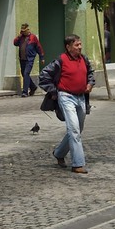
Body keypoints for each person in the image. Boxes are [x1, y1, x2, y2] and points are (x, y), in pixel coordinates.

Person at [39, 33, 94, 174]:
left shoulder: (84, 59)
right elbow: (43, 76)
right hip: (66, 97)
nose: (80, 47)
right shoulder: (60, 60)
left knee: (77, 129)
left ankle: (59, 153)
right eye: (76, 45)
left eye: (80, 44)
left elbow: (90, 74)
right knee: (74, 129)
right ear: (68, 47)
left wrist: (90, 83)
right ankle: (77, 164)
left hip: (81, 97)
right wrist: (54, 92)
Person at [13, 23, 44, 97]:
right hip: (22, 59)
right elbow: (15, 43)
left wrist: (42, 57)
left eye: (24, 31)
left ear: (28, 30)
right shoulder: (21, 37)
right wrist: (18, 36)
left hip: (29, 59)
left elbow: (39, 47)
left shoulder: (33, 37)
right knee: (24, 74)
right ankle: (33, 87)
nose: (23, 32)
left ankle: (25, 92)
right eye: (22, 31)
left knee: (26, 73)